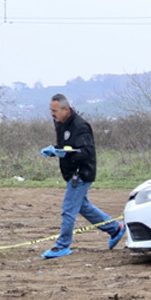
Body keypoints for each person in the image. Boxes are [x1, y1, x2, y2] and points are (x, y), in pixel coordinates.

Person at [39, 94, 125, 259]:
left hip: (81, 173)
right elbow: (65, 146)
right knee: (84, 207)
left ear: (66, 109)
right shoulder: (59, 123)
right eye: (50, 110)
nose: (52, 114)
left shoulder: (81, 126)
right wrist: (55, 151)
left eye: (54, 110)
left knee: (68, 210)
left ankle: (62, 245)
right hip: (70, 172)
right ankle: (115, 228)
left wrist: (63, 154)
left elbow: (86, 152)